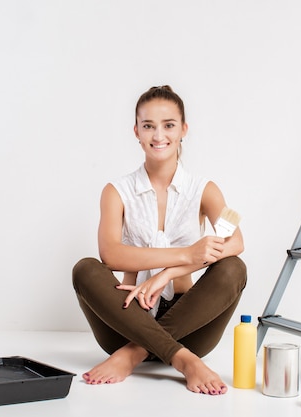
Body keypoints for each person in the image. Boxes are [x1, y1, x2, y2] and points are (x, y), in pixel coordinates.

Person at [72, 85, 246, 395]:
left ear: (183, 130)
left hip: (190, 327)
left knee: (234, 268)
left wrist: (168, 274)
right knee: (85, 268)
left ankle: (133, 354)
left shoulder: (204, 189)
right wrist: (186, 255)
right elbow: (110, 254)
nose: (158, 135)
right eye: (148, 126)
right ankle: (183, 361)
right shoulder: (116, 190)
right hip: (126, 319)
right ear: (136, 131)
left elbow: (235, 241)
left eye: (168, 125)